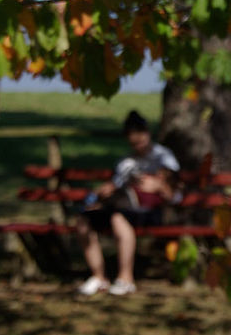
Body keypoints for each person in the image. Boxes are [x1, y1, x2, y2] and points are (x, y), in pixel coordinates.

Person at [76, 110, 180, 296]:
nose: (138, 145)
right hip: (123, 206)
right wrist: (106, 190)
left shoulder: (164, 157)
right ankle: (99, 276)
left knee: (118, 219)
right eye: (133, 142)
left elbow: (175, 194)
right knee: (84, 221)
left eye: (140, 139)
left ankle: (126, 278)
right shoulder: (126, 162)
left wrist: (158, 186)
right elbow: (116, 187)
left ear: (148, 134)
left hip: (151, 211)